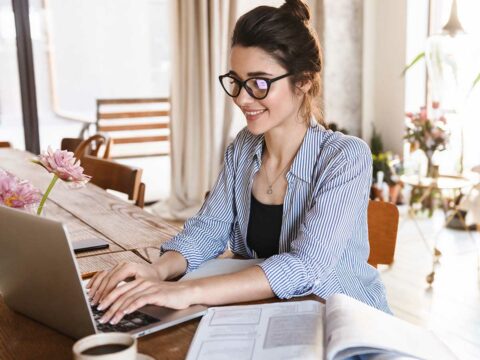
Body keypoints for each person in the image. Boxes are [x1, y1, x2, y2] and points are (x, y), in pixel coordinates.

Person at [87, 0, 391, 325]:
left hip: (340, 322)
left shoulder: (344, 157)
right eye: (236, 80)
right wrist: (155, 271)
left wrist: (187, 292)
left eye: (259, 83)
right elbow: (206, 231)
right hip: (265, 315)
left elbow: (306, 266)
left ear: (303, 81)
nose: (242, 99)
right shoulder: (243, 149)